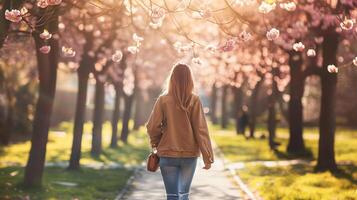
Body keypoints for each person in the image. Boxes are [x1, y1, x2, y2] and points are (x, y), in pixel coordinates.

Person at [146, 63, 214, 200]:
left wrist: (157, 143)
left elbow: (152, 126)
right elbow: (201, 130)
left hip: (167, 154)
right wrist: (207, 157)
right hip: (190, 156)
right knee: (183, 195)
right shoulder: (194, 100)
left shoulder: (163, 100)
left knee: (172, 196)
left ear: (172, 78)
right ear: (190, 79)